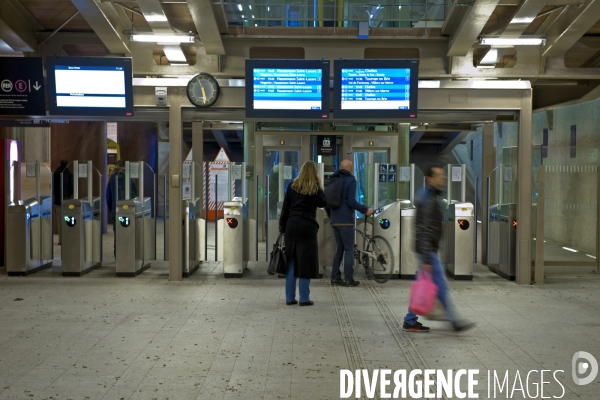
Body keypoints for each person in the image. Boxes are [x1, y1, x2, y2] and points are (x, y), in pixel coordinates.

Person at [402, 164, 473, 333]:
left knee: (424, 284)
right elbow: (424, 229)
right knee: (440, 285)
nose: (443, 179)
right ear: (429, 179)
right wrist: (427, 257)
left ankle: (410, 319)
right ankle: (454, 321)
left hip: (427, 249)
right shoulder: (427, 199)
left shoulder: (430, 196)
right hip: (428, 251)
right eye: (439, 176)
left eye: (443, 176)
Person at [279, 161, 327, 306]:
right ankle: (304, 298)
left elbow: (285, 209)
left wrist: (282, 229)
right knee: (306, 262)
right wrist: (318, 184)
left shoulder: (292, 186)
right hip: (308, 226)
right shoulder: (315, 189)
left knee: (292, 261)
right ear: (315, 173)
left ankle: (289, 298)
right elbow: (323, 202)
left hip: (292, 225)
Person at [326, 159, 374, 287]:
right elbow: (351, 202)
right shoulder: (351, 180)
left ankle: (335, 278)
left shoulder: (332, 179)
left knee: (339, 249)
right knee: (349, 250)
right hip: (346, 220)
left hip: (335, 220)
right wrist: (365, 210)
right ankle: (348, 279)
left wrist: (331, 216)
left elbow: (327, 201)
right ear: (351, 168)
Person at [106, 160, 138, 257]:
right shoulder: (130, 179)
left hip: (116, 211)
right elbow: (134, 195)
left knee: (118, 234)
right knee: (128, 233)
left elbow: (108, 197)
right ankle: (128, 255)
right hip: (129, 211)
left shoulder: (112, 179)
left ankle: (118, 255)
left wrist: (112, 210)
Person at [52, 160, 73, 245]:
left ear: (59, 164)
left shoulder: (55, 174)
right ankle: (68, 237)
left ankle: (61, 239)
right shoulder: (70, 174)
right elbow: (72, 188)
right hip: (67, 200)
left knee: (59, 219)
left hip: (57, 200)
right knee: (67, 219)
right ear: (67, 165)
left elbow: (53, 188)